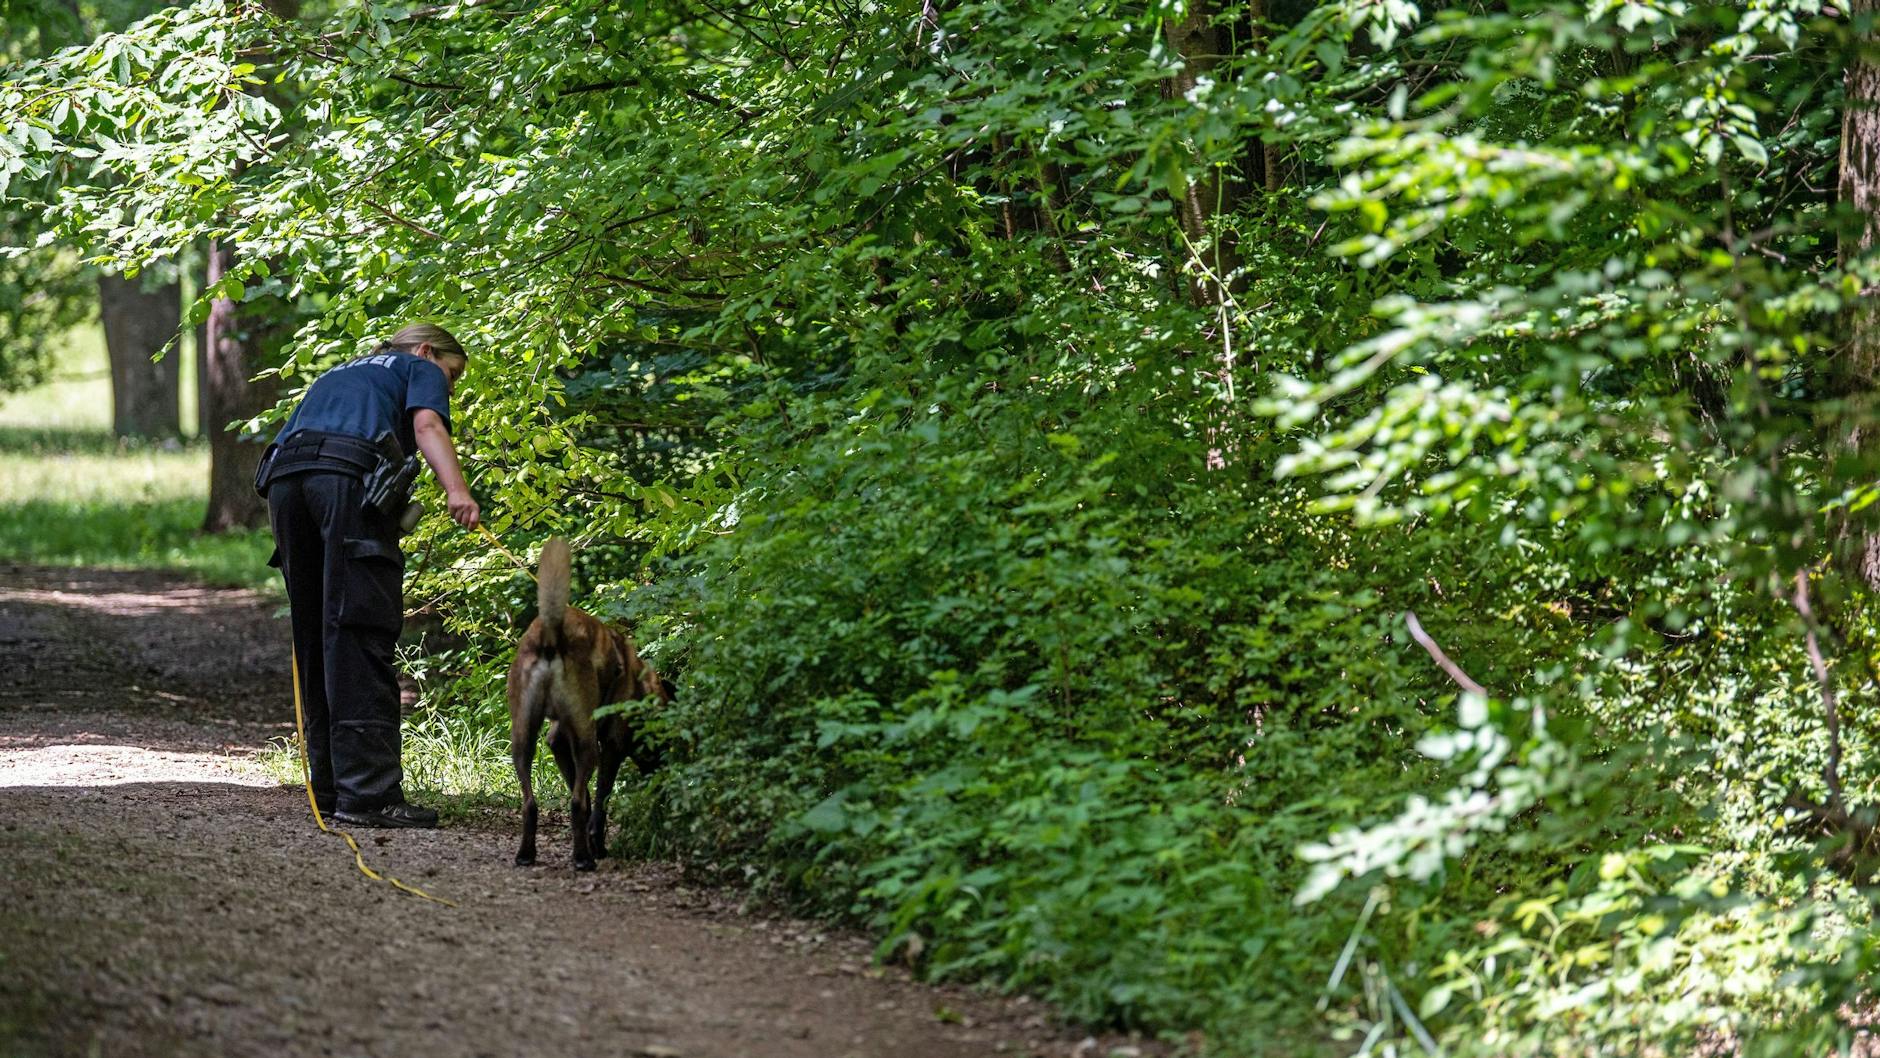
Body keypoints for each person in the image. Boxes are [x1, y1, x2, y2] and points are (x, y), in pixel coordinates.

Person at [260, 322, 480, 828]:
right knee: (359, 627)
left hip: (284, 485)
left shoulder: (339, 373)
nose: (449, 388)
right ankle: (368, 795)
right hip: (343, 481)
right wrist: (457, 491)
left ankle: (330, 786)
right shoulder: (417, 366)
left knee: (315, 633)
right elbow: (427, 426)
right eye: (452, 375)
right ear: (427, 351)